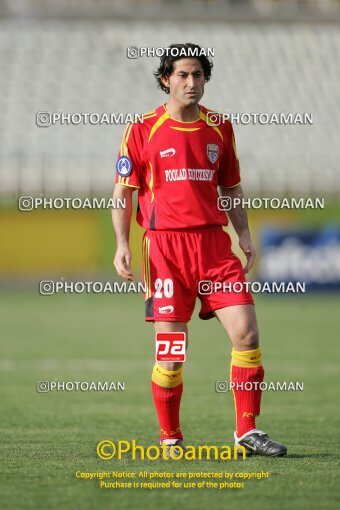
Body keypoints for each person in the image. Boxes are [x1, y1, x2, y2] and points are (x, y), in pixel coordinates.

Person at [112, 42, 287, 457]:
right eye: (183, 75)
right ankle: (170, 437)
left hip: (214, 247)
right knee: (171, 357)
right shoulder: (142, 129)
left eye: (199, 75)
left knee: (246, 333)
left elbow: (231, 186)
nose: (192, 83)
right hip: (165, 253)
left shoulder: (220, 127)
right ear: (165, 80)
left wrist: (243, 234)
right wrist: (122, 243)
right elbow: (123, 192)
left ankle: (247, 432)